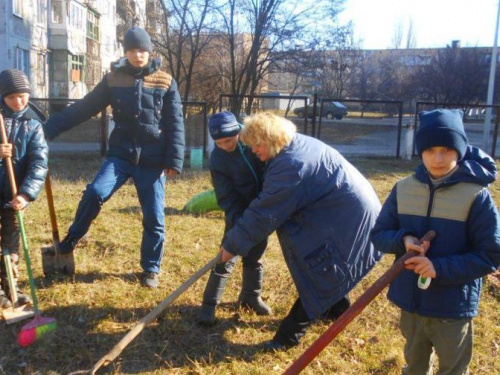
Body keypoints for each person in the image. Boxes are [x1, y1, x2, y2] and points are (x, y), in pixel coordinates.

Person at [218, 112, 381, 351]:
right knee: (327, 271)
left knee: (322, 270)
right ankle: (337, 310)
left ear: (271, 138)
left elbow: (265, 212)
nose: (253, 151)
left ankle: (286, 338)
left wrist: (232, 245)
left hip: (349, 218)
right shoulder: (291, 146)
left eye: (256, 145)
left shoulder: (291, 165)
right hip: (344, 211)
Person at [43, 26, 185, 288]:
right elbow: (84, 108)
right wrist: (49, 129)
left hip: (152, 159)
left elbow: (175, 122)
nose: (137, 54)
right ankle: (71, 240)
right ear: (125, 52)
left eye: (141, 49)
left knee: (154, 216)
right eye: (132, 49)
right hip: (120, 154)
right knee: (95, 192)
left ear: (149, 51)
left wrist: (174, 160)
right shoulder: (113, 80)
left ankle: (151, 268)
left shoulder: (165, 81)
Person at [371, 108, 500, 375]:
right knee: (414, 365)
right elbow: (379, 234)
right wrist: (403, 238)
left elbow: (491, 254)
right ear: (421, 151)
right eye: (430, 150)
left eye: (446, 149)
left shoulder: (476, 196)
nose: (438, 158)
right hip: (412, 302)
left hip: (452, 307)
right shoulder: (403, 189)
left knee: (453, 368)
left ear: (460, 150)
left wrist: (438, 268)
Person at [197, 111, 272, 325]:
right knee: (226, 255)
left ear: (238, 132)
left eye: (228, 141)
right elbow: (225, 195)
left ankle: (251, 297)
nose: (224, 146)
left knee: (256, 254)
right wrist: (238, 221)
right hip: (237, 213)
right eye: (218, 143)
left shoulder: (253, 143)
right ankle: (209, 304)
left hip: (262, 209)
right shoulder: (218, 159)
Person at [0, 69, 48, 307]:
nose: (19, 102)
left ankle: (11, 287)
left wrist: (26, 193)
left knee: (11, 243)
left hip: (13, 195)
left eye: (23, 95)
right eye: (12, 97)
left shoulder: (33, 124)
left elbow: (39, 162)